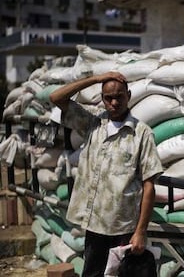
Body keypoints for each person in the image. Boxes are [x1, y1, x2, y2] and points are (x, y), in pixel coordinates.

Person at [49, 71, 163, 277]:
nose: (114, 102)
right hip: (95, 226)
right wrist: (96, 80)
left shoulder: (141, 133)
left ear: (128, 95)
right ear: (102, 99)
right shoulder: (93, 125)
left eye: (119, 96)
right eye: (108, 97)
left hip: (125, 228)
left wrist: (140, 232)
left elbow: (149, 185)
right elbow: (56, 98)